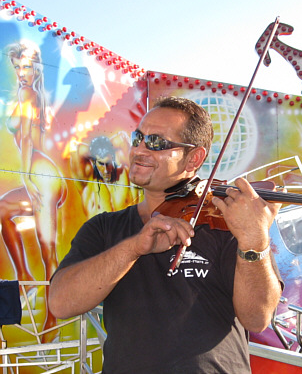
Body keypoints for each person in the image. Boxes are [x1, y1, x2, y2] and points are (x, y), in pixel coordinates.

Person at [48, 96, 283, 373]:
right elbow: (61, 304)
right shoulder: (104, 228)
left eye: (157, 143)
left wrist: (254, 240)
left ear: (193, 158)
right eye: (138, 138)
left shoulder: (228, 224)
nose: (139, 150)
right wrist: (134, 248)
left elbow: (257, 318)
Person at [0, 40, 67, 340]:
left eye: (26, 66)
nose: (22, 73)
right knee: (3, 211)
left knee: (48, 251)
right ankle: (24, 275)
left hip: (41, 174)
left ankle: (52, 317)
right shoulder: (27, 93)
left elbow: (27, 139)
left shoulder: (29, 94)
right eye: (17, 67)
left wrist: (25, 177)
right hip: (39, 171)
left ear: (37, 66)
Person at [70, 132, 143, 217]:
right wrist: (97, 147)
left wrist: (106, 146)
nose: (105, 170)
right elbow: (78, 152)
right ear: (94, 162)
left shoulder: (126, 174)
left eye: (108, 163)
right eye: (101, 164)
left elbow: (121, 139)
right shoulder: (87, 182)